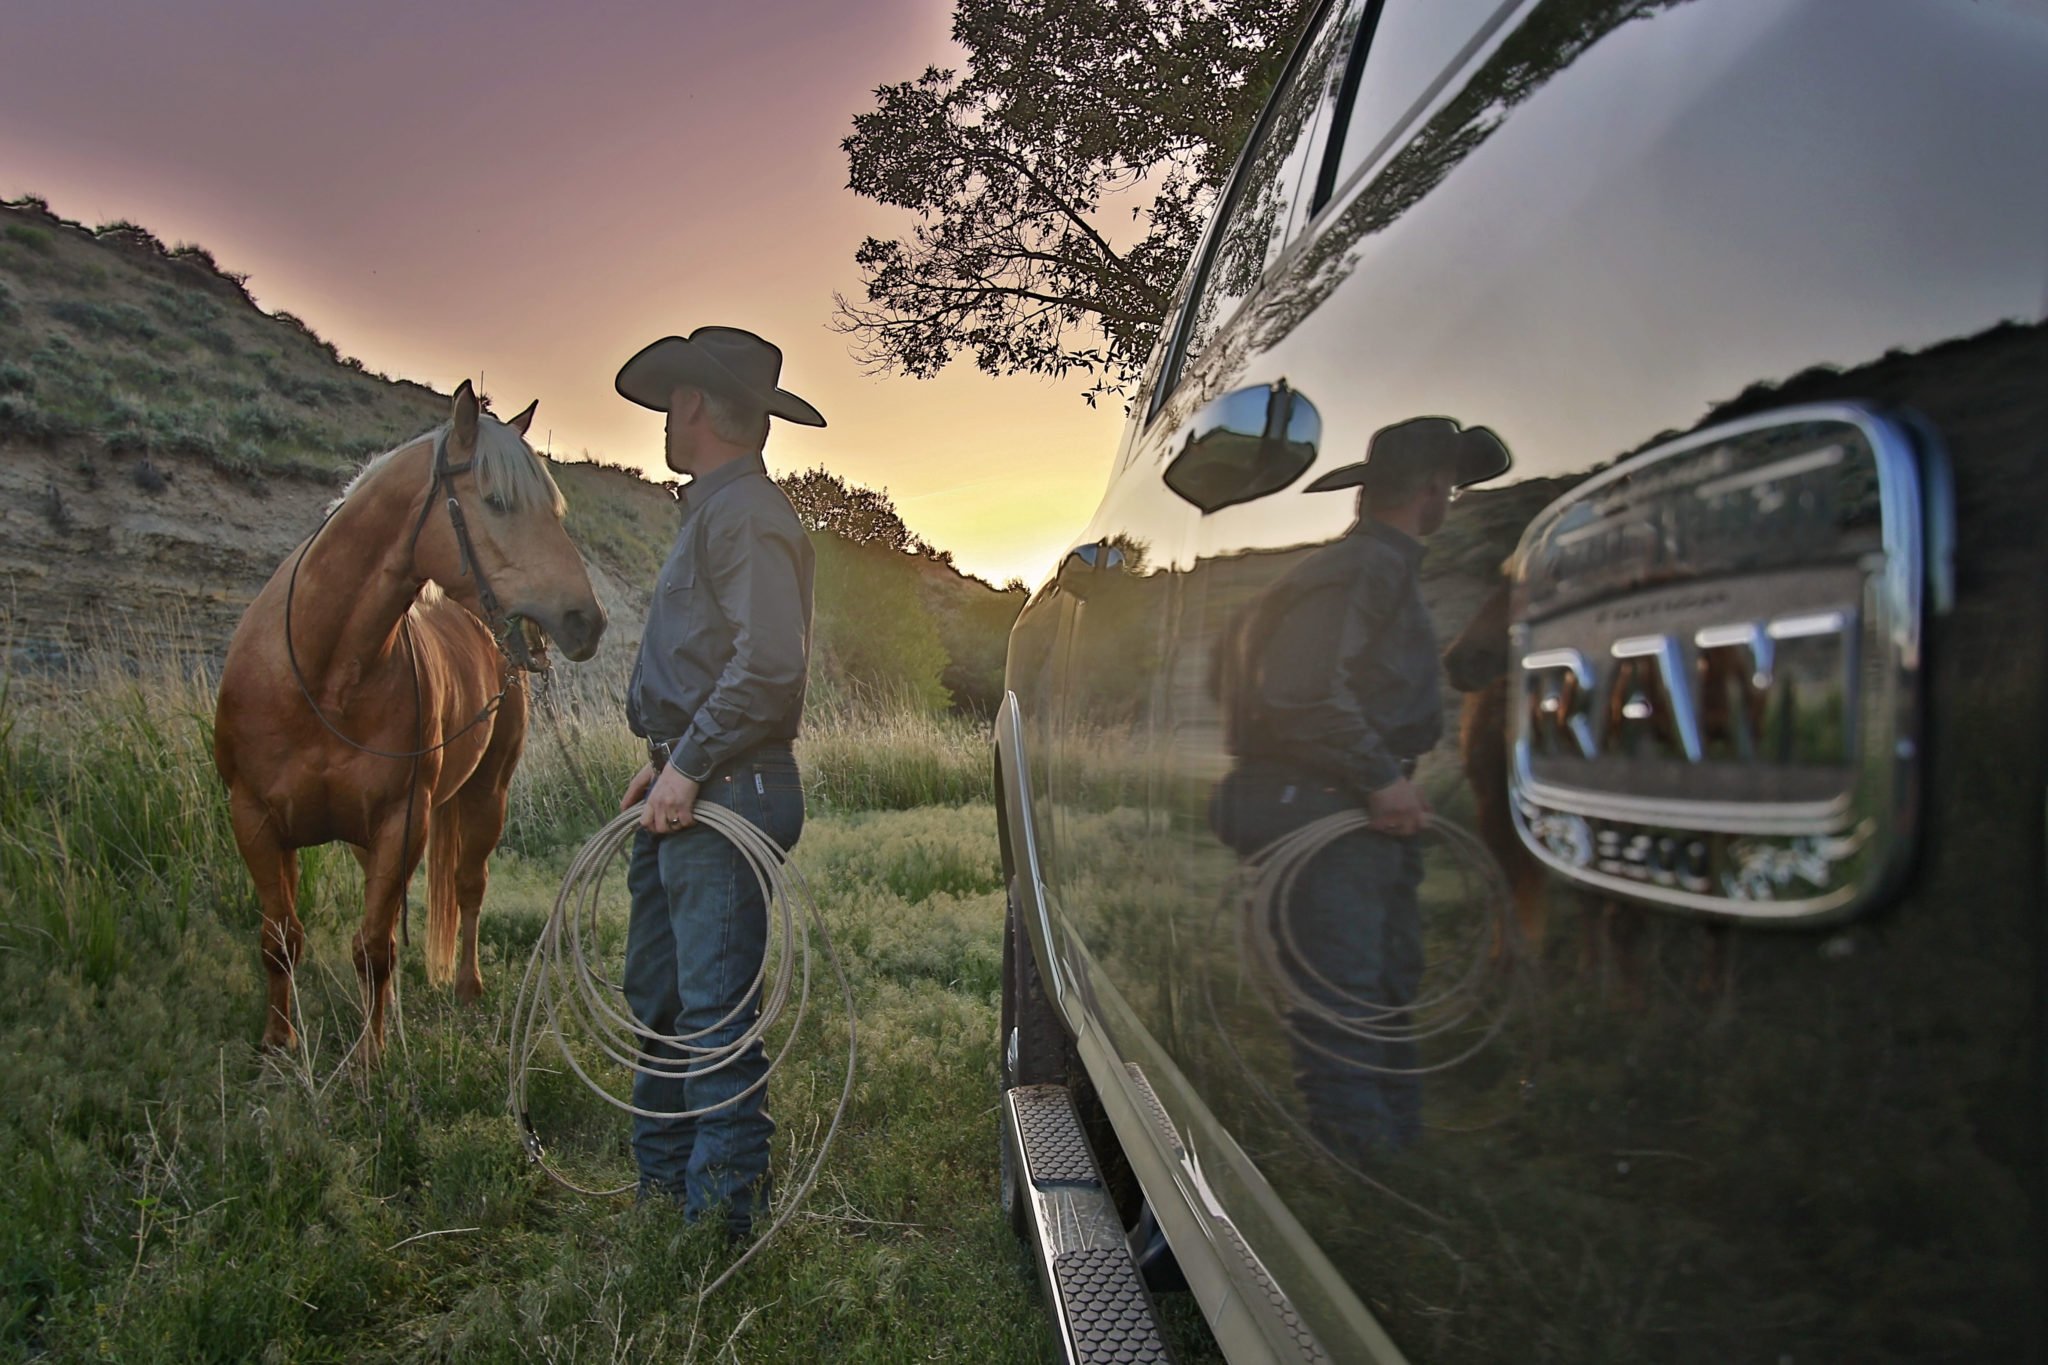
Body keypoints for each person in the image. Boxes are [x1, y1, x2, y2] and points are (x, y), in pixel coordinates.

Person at [1209, 416, 1510, 1156]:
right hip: (1328, 805)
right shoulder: (1364, 569)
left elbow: (1245, 674)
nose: (1452, 497)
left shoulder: (1363, 567)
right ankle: (1361, 1165)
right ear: (1435, 489)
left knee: (1381, 979)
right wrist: (1379, 776)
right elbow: (1303, 691)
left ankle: (1393, 1149)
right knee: (1345, 991)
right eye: (1452, 485)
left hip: (1340, 804)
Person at [613, 326, 825, 1235]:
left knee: (709, 1016)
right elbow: (710, 660)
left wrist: (690, 764)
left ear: (695, 405)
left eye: (672, 401)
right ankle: (665, 1193)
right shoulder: (715, 511)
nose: (666, 415)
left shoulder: (745, 515)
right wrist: (661, 763)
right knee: (660, 997)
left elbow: (769, 662)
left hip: (727, 790)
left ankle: (719, 1226)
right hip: (694, 782)